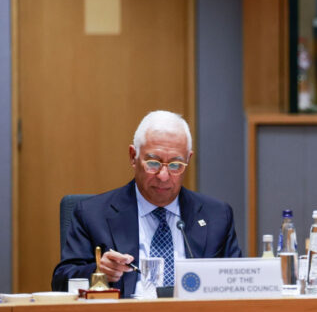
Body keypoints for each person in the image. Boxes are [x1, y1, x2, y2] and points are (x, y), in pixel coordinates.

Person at [52, 111, 241, 297]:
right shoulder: (92, 214)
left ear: (188, 160)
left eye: (175, 165)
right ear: (133, 156)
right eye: (153, 163)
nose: (163, 176)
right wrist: (99, 271)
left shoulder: (216, 216)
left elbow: (237, 285)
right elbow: (61, 282)